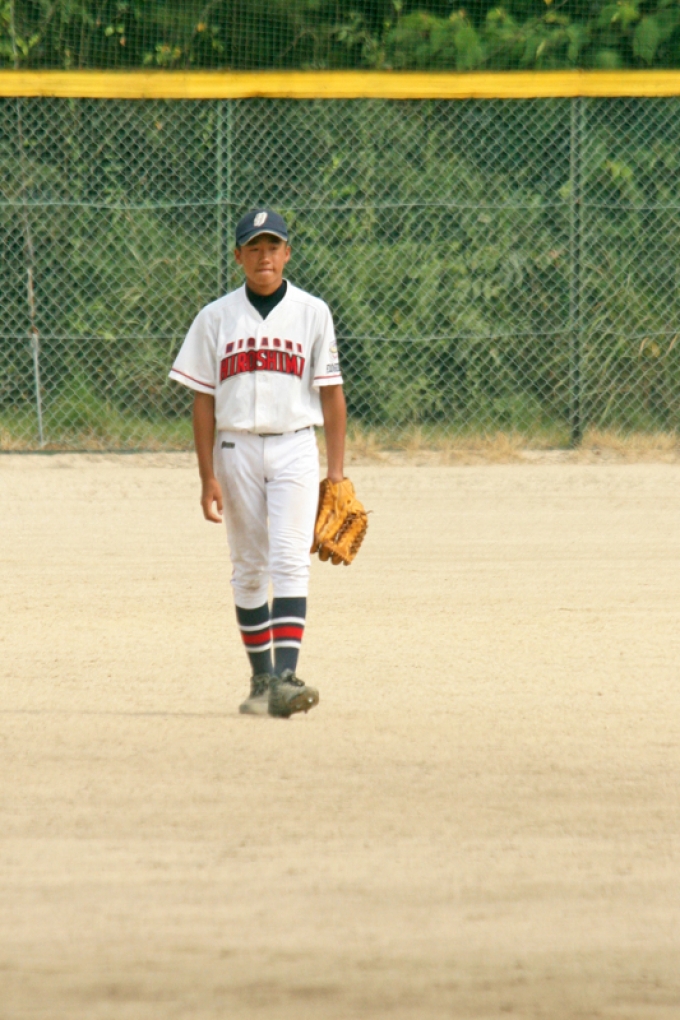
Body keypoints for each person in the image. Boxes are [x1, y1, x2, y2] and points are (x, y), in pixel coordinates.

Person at [169, 208, 346, 717]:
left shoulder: (313, 311)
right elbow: (203, 400)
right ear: (238, 256)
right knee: (249, 566)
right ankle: (262, 680)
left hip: (295, 444)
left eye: (272, 247)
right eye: (254, 247)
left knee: (290, 559)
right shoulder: (215, 317)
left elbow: (332, 394)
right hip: (236, 448)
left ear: (287, 253)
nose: (263, 256)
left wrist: (336, 473)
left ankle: (286, 677)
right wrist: (206, 476)